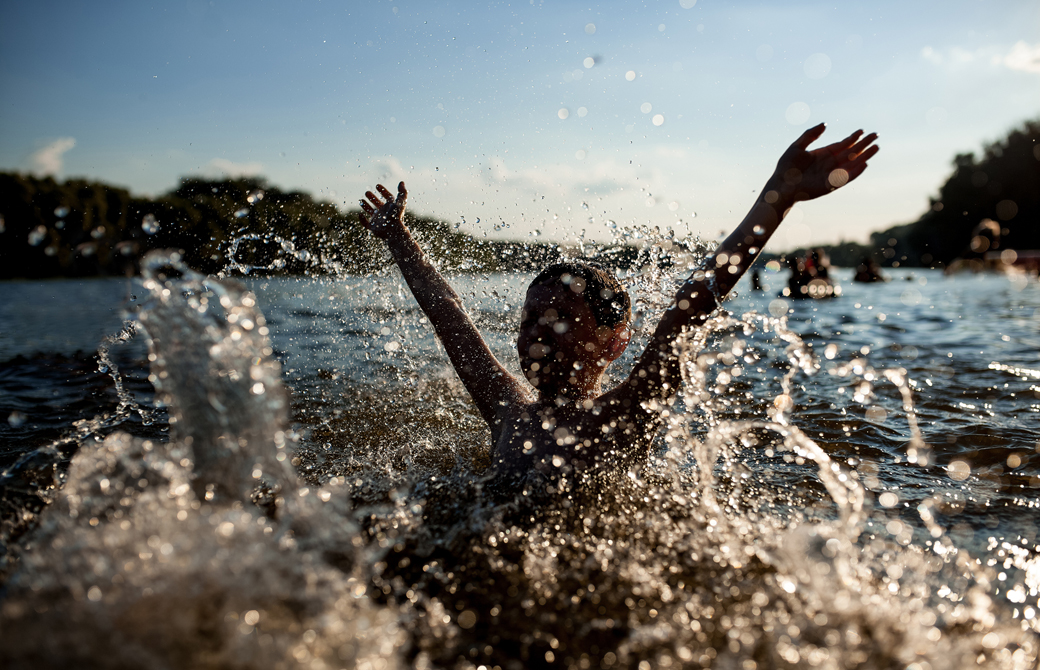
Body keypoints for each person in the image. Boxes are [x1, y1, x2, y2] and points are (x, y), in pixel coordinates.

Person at [358, 124, 878, 497]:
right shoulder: (505, 408)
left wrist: (778, 199)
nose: (535, 336)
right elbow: (450, 318)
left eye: (559, 320)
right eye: (529, 320)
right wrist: (399, 238)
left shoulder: (624, 415)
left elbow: (690, 309)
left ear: (615, 341)